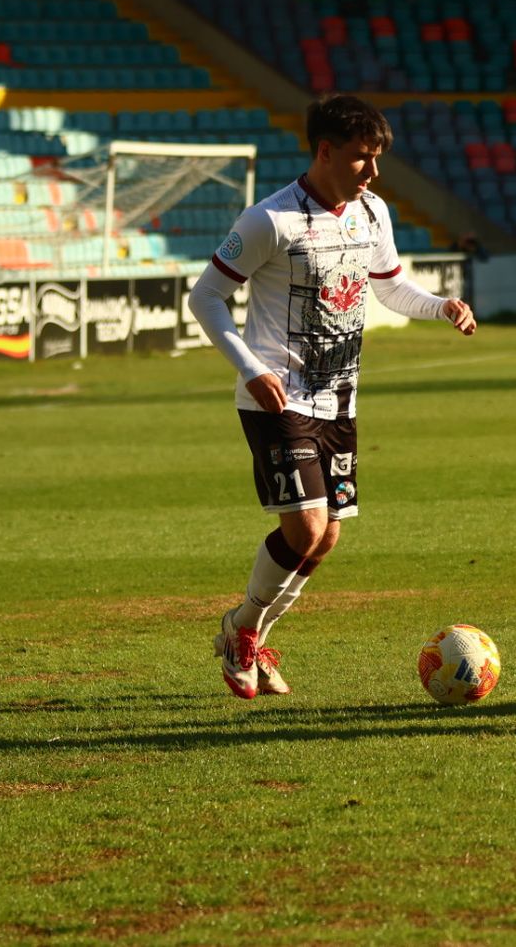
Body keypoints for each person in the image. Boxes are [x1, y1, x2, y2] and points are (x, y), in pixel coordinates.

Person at [188, 95, 477, 700]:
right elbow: (206, 296)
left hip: (339, 399)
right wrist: (249, 366)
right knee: (307, 525)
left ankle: (245, 630)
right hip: (278, 399)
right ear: (324, 151)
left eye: (376, 160)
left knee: (327, 536)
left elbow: (392, 288)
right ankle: (244, 635)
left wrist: (440, 306)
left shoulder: (371, 212)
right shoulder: (270, 220)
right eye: (360, 159)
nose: (372, 173)